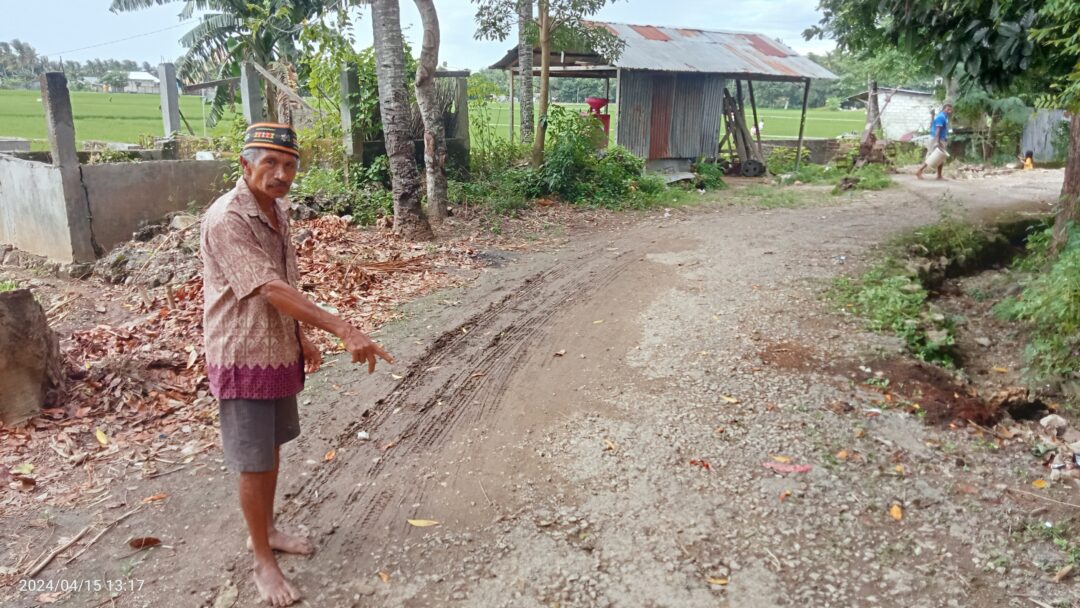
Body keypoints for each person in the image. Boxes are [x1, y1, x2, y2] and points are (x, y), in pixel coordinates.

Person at [200, 123, 393, 607]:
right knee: (253, 458)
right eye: (269, 163)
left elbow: (279, 284)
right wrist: (343, 329)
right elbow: (266, 288)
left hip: (275, 348)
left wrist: (300, 334)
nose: (281, 173)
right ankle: (262, 560)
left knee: (272, 446)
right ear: (246, 165)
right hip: (242, 354)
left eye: (288, 165)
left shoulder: (275, 210)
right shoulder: (228, 218)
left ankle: (264, 532)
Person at [916, 102, 953, 180]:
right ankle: (919, 170)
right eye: (948, 109)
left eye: (950, 109)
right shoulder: (941, 117)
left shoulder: (945, 117)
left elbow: (934, 125)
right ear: (944, 109)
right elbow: (938, 130)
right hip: (936, 138)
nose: (949, 111)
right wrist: (937, 141)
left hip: (940, 138)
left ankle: (939, 175)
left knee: (941, 157)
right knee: (932, 156)